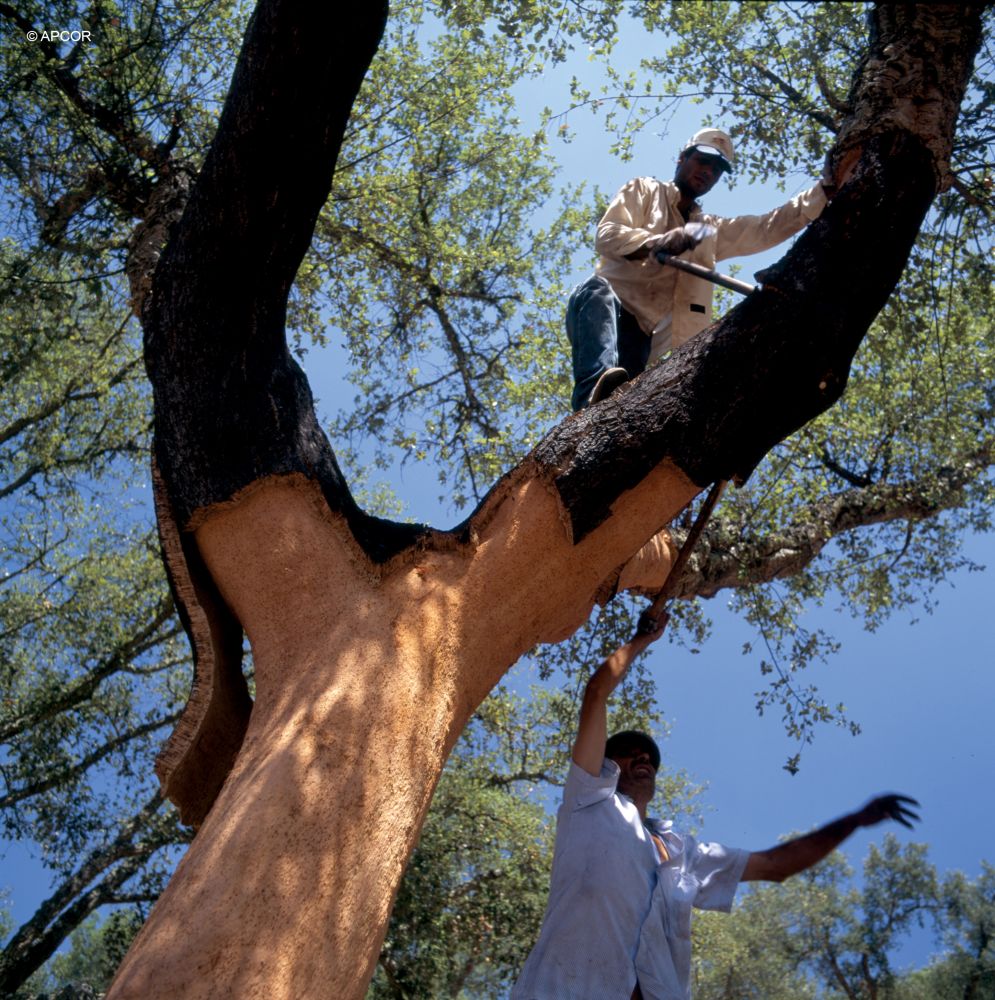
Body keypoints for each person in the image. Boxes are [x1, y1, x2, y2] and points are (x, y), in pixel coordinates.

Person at [511, 621, 920, 1000]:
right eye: (629, 752)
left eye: (650, 757)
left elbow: (776, 865)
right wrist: (643, 639)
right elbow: (596, 693)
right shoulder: (588, 800)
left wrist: (854, 820)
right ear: (606, 762)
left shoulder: (683, 855)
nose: (643, 759)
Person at [568, 127, 835, 410]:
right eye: (703, 161)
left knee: (619, 398)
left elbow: (763, 228)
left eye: (717, 169)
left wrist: (822, 192)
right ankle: (588, 398)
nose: (708, 171)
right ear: (682, 158)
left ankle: (604, 410)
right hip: (602, 310)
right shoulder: (645, 190)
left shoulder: (705, 231)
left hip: (643, 337)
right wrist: (656, 242)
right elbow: (607, 235)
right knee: (596, 291)